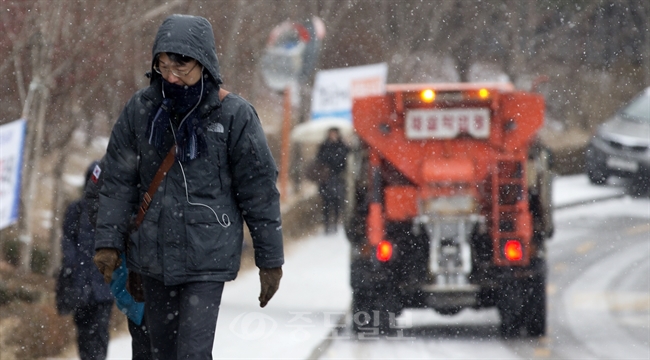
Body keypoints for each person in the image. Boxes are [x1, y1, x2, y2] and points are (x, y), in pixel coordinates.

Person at [92, 14, 284, 359]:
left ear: (204, 63)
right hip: (152, 257)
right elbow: (118, 180)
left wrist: (270, 259)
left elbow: (259, 191)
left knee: (192, 353)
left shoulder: (234, 115)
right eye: (163, 66)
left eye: (181, 66)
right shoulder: (141, 110)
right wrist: (108, 241)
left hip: (207, 257)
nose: (171, 76)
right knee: (160, 352)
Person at [84, 159, 152, 360]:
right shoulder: (126, 145)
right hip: (136, 268)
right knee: (145, 339)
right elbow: (94, 197)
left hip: (158, 267)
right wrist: (120, 235)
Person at [58, 161, 114, 360]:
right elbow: (67, 239)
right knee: (83, 333)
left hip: (104, 286)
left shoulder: (112, 212)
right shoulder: (76, 209)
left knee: (100, 333)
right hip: (79, 283)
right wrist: (72, 264)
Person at [315, 127, 349, 234]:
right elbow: (320, 159)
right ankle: (326, 224)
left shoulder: (342, 146)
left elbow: (344, 159)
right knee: (326, 202)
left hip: (338, 178)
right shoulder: (324, 146)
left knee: (337, 201)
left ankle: (335, 223)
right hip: (326, 179)